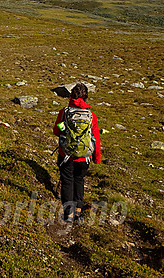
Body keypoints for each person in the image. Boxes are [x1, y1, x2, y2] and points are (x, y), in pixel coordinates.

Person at [53, 82, 101, 224]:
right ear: (86, 96)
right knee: (79, 180)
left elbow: (57, 130)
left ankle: (69, 213)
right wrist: (96, 157)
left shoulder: (65, 112)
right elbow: (96, 138)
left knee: (67, 181)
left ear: (71, 95)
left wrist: (64, 129)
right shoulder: (91, 115)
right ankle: (79, 209)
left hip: (66, 155)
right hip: (84, 158)